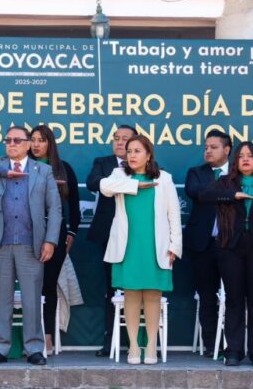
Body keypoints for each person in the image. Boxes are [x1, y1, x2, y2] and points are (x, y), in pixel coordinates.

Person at [0, 126, 61, 366]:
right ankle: (0, 347)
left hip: (31, 244)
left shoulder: (44, 170)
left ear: (29, 144)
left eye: (17, 140)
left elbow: (55, 209)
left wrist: (50, 240)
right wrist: (2, 172)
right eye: (8, 140)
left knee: (31, 298)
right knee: (1, 298)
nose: (11, 144)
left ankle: (34, 348)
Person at [199, 142, 253, 367]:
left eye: (250, 156)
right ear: (235, 161)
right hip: (230, 249)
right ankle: (234, 351)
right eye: (241, 156)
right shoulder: (225, 182)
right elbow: (205, 196)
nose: (246, 159)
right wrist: (232, 195)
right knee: (234, 301)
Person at [100, 135, 182, 365]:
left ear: (149, 154)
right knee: (132, 294)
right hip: (128, 245)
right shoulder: (119, 176)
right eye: (129, 151)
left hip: (157, 245)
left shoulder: (164, 179)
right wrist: (135, 184)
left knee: (153, 295)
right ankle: (134, 347)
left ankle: (151, 347)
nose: (132, 155)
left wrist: (175, 246)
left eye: (137, 151)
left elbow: (173, 215)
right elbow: (104, 187)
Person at [85, 124, 138, 357]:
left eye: (125, 139)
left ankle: (140, 342)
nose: (119, 142)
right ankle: (111, 340)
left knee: (137, 287)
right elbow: (93, 183)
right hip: (109, 235)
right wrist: (125, 184)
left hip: (138, 236)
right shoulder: (102, 162)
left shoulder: (145, 165)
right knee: (113, 288)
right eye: (116, 138)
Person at [28, 124, 81, 354]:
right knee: (31, 287)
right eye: (33, 139)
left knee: (48, 286)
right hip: (27, 232)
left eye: (41, 140)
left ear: (50, 143)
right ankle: (28, 339)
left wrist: (71, 233)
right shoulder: (23, 167)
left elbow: (75, 207)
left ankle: (47, 337)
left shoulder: (63, 169)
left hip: (55, 234)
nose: (36, 144)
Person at [183, 130, 231, 356]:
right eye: (206, 147)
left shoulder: (240, 172)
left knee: (234, 295)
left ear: (227, 149)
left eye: (214, 147)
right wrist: (228, 192)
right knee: (207, 295)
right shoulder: (196, 172)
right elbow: (196, 192)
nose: (208, 151)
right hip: (203, 245)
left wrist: (217, 191)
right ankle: (213, 345)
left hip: (233, 244)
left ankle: (233, 344)